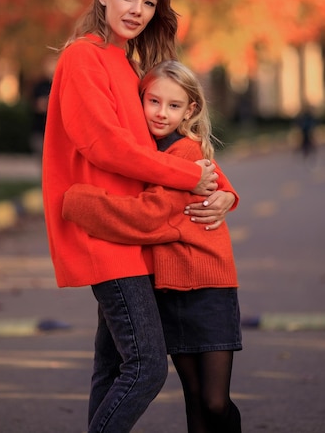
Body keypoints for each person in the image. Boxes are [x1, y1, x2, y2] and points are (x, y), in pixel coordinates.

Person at [42, 0, 228, 433]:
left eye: (148, 2)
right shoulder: (83, 56)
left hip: (132, 235)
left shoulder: (127, 66)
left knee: (113, 369)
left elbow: (166, 145)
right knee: (147, 369)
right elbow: (105, 146)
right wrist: (189, 179)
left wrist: (225, 190)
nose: (137, 10)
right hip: (108, 233)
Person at [63, 60, 242, 433]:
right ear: (139, 101)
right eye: (153, 102)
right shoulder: (147, 152)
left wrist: (77, 201)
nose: (161, 113)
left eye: (174, 106)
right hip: (169, 289)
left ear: (190, 110)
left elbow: (149, 218)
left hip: (208, 287)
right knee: (194, 396)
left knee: (214, 400)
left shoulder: (184, 153)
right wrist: (228, 192)